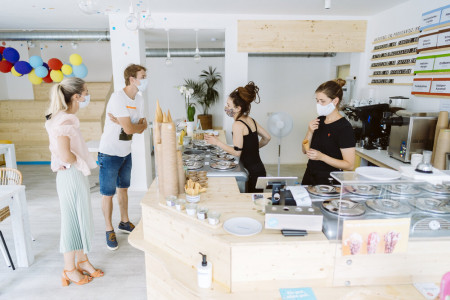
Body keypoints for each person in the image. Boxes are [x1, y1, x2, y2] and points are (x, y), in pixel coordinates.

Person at [45, 77, 104, 286]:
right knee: (72, 222)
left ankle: (83, 260)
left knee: (79, 219)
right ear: (76, 96)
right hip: (70, 175)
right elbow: (66, 155)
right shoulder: (65, 121)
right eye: (86, 92)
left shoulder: (61, 116)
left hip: (70, 175)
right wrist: (81, 162)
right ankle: (69, 269)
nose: (87, 96)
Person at [98, 64, 148, 250]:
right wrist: (130, 125)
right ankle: (108, 228)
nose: (145, 79)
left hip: (126, 151)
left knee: (123, 189)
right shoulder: (118, 97)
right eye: (142, 76)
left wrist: (125, 123)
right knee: (108, 194)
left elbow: (143, 126)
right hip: (110, 152)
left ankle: (124, 222)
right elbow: (131, 128)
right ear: (132, 79)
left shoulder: (140, 99)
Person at [205, 81, 271, 192]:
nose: (226, 107)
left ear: (238, 108)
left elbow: (237, 152)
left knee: (251, 204)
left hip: (252, 174)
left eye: (229, 105)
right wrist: (253, 149)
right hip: (260, 170)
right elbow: (267, 137)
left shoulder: (237, 125)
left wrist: (217, 142)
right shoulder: (250, 120)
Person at [301, 79, 355, 185]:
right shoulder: (319, 120)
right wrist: (309, 132)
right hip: (310, 176)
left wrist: (322, 157)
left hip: (330, 181)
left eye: (322, 101)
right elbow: (304, 150)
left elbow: (350, 165)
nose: (319, 104)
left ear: (335, 101)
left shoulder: (344, 128)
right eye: (317, 100)